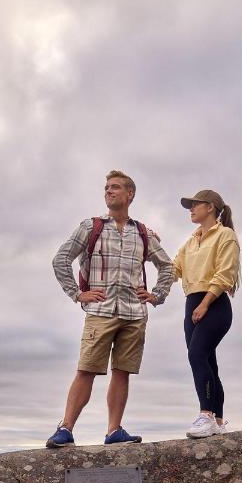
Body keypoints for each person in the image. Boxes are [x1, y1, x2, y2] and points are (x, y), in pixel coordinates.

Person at [48, 170, 175, 448]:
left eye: (115, 187)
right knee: (86, 369)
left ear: (130, 194)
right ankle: (65, 429)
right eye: (106, 187)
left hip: (134, 314)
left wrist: (156, 295)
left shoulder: (142, 233)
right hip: (100, 311)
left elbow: (167, 266)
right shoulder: (91, 227)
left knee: (122, 372)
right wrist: (77, 294)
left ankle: (114, 430)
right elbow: (61, 259)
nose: (109, 191)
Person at [172, 190, 240, 438]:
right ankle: (218, 421)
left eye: (195, 205)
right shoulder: (190, 242)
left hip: (215, 304)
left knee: (197, 354)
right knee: (208, 361)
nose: (191, 209)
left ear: (210, 207)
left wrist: (205, 304)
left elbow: (225, 273)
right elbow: (173, 269)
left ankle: (206, 415)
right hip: (192, 302)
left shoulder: (225, 235)